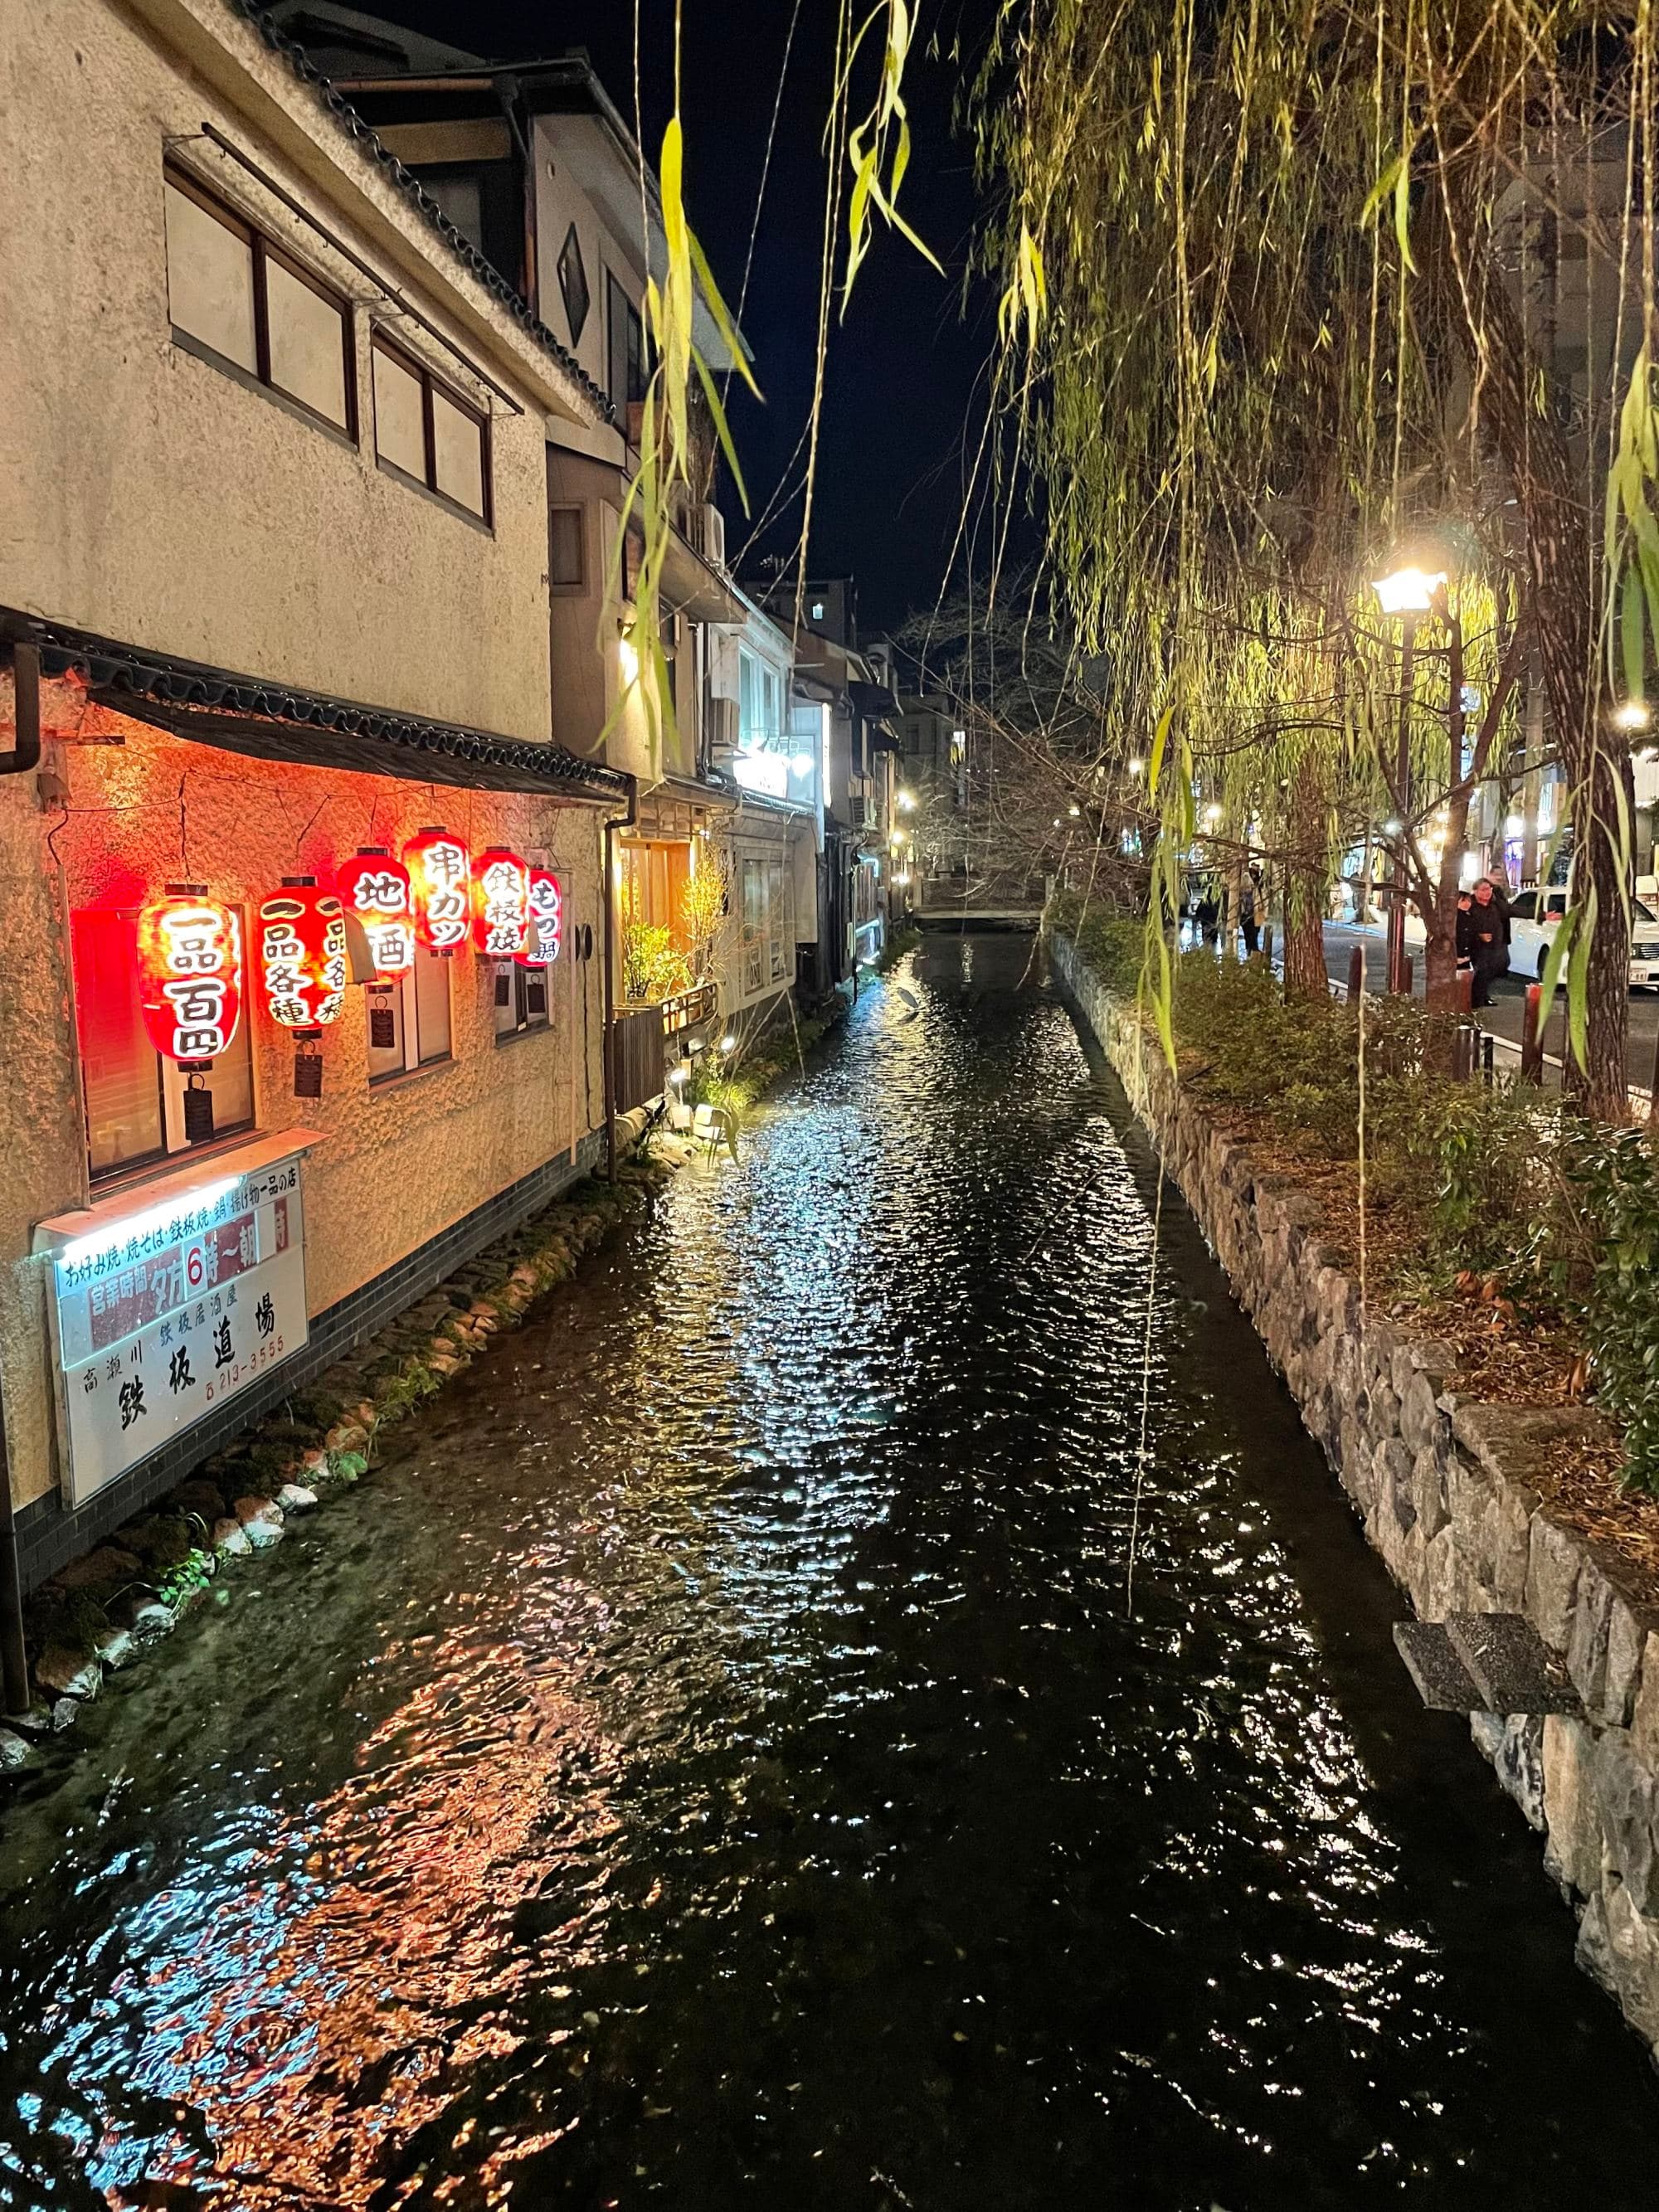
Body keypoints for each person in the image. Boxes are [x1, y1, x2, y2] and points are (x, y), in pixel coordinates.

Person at [1468, 874, 1511, 1007]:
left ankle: (1482, 996)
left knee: (1499, 966)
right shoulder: (1470, 905)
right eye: (1484, 889)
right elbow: (1464, 926)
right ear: (1475, 891)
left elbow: (1515, 910)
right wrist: (1479, 936)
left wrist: (1543, 915)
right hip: (1476, 946)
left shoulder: (1496, 905)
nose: (1488, 892)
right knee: (1482, 970)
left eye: (1489, 889)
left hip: (1495, 944)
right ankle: (1476, 1000)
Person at [1238, 869, 1262, 956]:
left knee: (1249, 936)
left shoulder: (1241, 893)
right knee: (1252, 936)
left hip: (1248, 917)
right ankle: (1252, 953)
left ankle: (1251, 953)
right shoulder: (1253, 891)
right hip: (1251, 917)